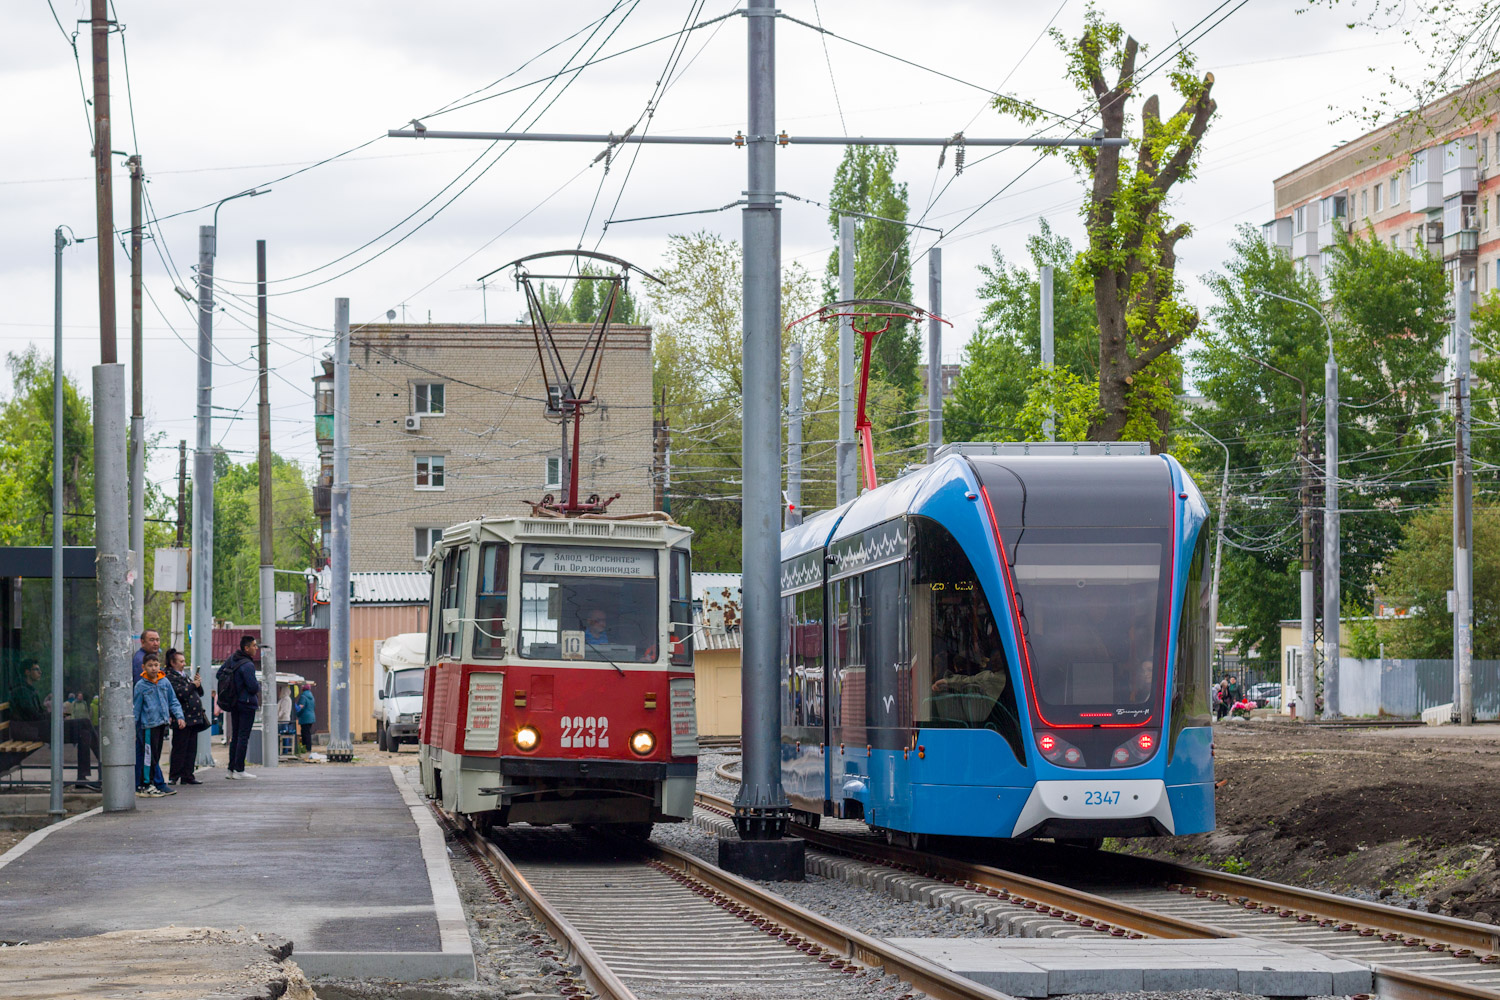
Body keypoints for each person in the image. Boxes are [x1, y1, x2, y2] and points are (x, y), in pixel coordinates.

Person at [8, 661, 101, 787]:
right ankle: (103, 766)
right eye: (36, 669)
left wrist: (53, 717)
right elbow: (33, 716)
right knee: (85, 723)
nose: (40, 672)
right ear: (27, 672)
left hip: (37, 728)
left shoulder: (28, 690)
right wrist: (54, 717)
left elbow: (36, 714)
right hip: (33, 730)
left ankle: (82, 778)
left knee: (84, 733)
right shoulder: (22, 691)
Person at [133, 652, 184, 797]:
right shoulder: (141, 685)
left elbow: (173, 701)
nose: (153, 668)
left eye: (156, 665)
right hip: (148, 725)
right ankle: (147, 784)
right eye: (150, 665)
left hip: (161, 723)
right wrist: (133, 727)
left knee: (156, 754)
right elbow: (136, 707)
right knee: (149, 756)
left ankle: (154, 784)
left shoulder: (164, 682)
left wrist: (179, 716)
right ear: (144, 667)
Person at [163, 648, 208, 785]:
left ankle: (188, 775)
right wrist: (192, 685)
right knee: (180, 747)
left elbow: (199, 693)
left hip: (193, 717)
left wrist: (197, 684)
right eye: (181, 661)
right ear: (173, 662)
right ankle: (174, 775)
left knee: (191, 747)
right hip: (182, 717)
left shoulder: (184, 675)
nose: (184, 664)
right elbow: (179, 693)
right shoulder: (170, 677)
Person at [223, 635, 262, 779]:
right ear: (246, 648)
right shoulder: (248, 665)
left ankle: (231, 769)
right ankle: (239, 769)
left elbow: (220, 674)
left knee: (235, 736)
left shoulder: (232, 659)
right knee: (243, 736)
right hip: (246, 704)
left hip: (234, 703)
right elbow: (253, 687)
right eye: (254, 646)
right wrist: (255, 686)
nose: (256, 648)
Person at [295, 680, 317, 753]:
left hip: (305, 717)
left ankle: (306, 748)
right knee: (307, 733)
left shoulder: (303, 696)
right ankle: (308, 748)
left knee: (305, 733)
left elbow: (301, 707)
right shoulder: (311, 696)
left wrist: (297, 714)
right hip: (311, 717)